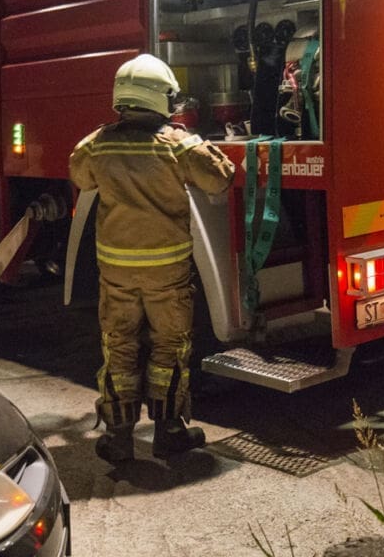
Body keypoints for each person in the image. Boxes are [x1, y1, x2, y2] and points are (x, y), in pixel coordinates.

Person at [69, 54, 236, 463]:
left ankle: (119, 437)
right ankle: (169, 431)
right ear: (161, 98)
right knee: (169, 349)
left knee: (119, 347)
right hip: (167, 274)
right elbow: (222, 176)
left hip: (117, 274)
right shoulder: (177, 145)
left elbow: (79, 175)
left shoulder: (97, 144)